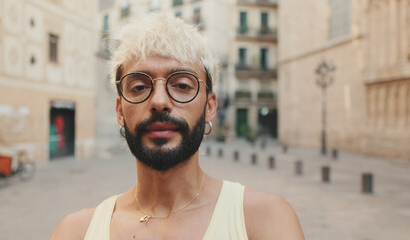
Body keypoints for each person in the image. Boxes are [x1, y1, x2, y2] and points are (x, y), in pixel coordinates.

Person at [50, 13, 305, 240]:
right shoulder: (75, 232)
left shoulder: (266, 222)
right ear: (119, 110)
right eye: (139, 87)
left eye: (182, 85)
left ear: (210, 106)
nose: (159, 101)